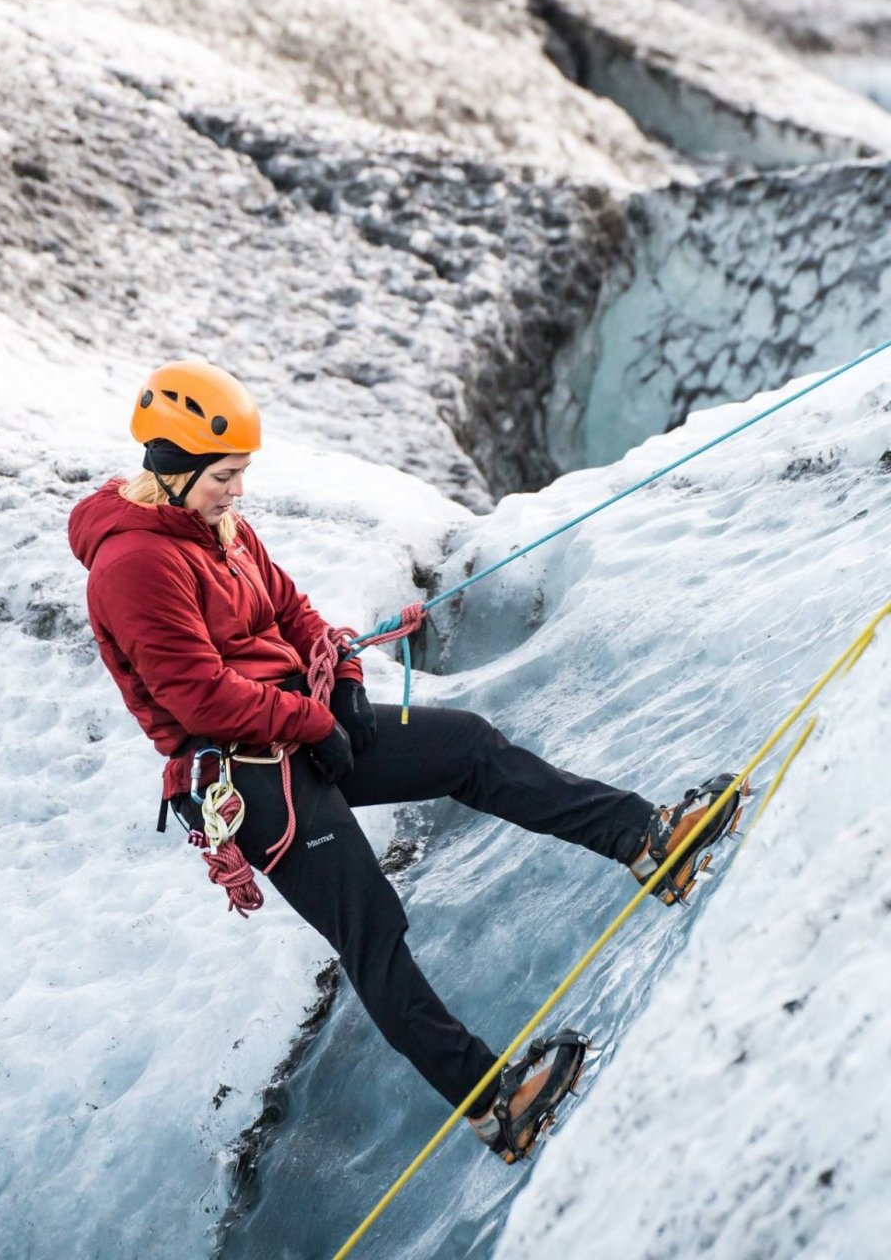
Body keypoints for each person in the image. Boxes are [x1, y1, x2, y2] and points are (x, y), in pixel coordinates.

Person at [68, 360, 744, 1162]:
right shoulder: (134, 564)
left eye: (241, 474)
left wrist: (344, 683)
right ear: (173, 470)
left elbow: (291, 610)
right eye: (224, 475)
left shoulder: (217, 528)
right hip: (247, 779)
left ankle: (646, 840)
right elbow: (199, 699)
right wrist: (314, 724)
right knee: (372, 930)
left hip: (300, 725)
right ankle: (498, 1104)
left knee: (467, 747)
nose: (238, 491)